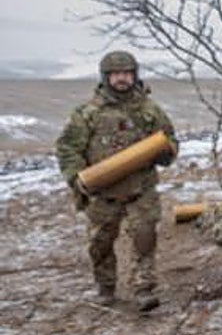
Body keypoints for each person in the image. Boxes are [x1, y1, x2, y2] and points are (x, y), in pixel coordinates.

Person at [56, 50, 178, 312]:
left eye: (127, 73)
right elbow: (68, 148)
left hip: (140, 190)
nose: (122, 78)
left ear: (135, 75)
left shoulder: (149, 110)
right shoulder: (88, 113)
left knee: (144, 239)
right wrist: (76, 178)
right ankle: (105, 287)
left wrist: (166, 152)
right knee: (100, 244)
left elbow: (170, 139)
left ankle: (144, 289)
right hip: (103, 193)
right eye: (116, 74)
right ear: (106, 77)